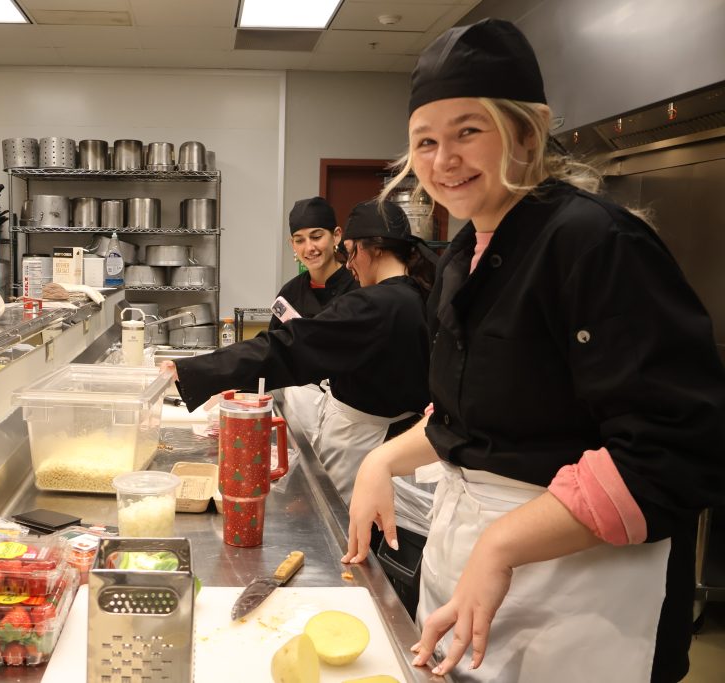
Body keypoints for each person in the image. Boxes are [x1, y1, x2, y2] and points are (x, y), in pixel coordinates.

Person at [341, 18, 725, 683]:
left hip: (577, 585)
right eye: (424, 141)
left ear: (527, 130)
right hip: (473, 563)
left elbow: (676, 450)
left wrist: (503, 542)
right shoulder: (467, 250)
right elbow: (477, 414)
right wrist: (383, 459)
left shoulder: (593, 242)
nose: (443, 159)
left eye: (468, 131)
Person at [163, 200, 435, 515]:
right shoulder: (415, 295)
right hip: (393, 441)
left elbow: (287, 347)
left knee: (341, 526)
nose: (349, 264)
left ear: (369, 249)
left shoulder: (376, 305)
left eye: (350, 251)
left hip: (364, 444)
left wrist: (198, 370)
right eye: (299, 239)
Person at [269, 197, 359, 453]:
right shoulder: (290, 293)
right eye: (300, 240)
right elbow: (273, 351)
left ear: (336, 236)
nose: (309, 247)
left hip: (349, 418)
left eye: (316, 236)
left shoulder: (358, 288)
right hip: (298, 415)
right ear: (292, 245)